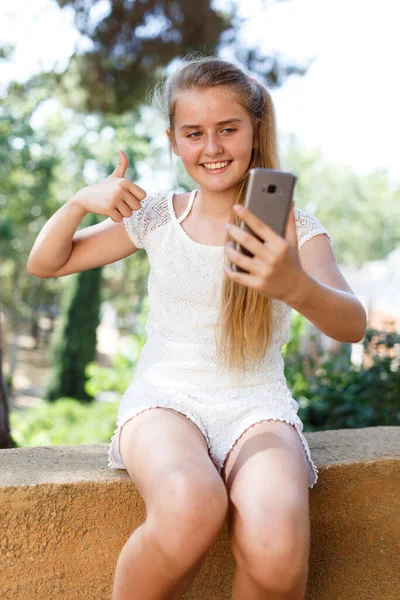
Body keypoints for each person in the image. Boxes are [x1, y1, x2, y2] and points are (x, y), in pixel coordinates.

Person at [27, 56, 367, 600]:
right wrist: (77, 203)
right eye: (194, 133)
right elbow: (46, 263)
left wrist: (292, 284)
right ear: (174, 141)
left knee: (278, 544)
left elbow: (353, 325)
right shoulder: (160, 216)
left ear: (255, 132)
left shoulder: (295, 228)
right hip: (165, 402)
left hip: (258, 408)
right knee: (190, 505)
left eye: (228, 129)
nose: (211, 147)